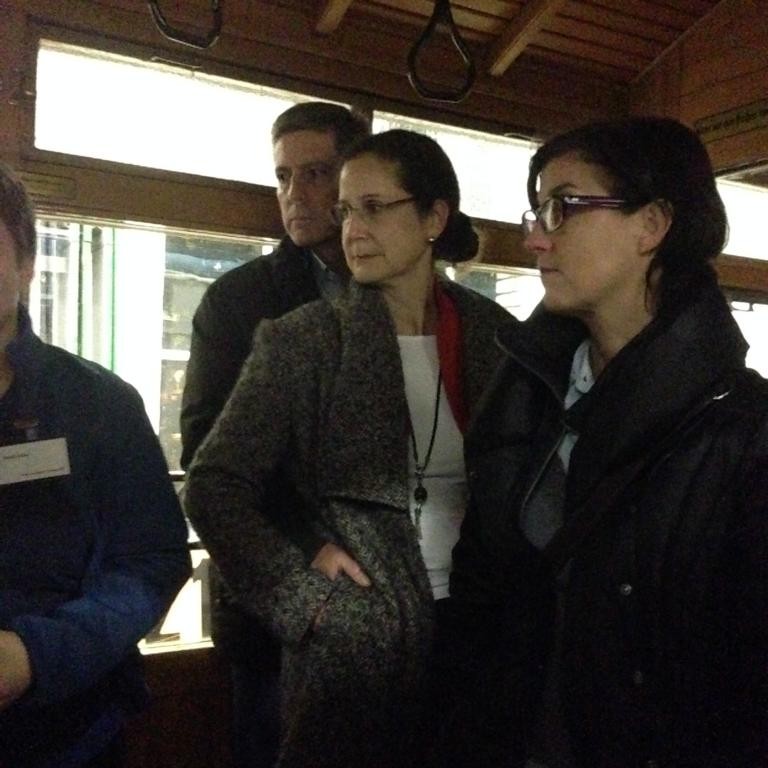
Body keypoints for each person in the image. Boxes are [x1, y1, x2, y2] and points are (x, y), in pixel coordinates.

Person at [447, 116, 768, 768]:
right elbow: (483, 588)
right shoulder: (525, 388)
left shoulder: (743, 431)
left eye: (564, 207)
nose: (535, 238)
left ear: (652, 224)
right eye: (538, 210)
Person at [183, 129, 510, 767]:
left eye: (375, 208)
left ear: (434, 218)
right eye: (346, 210)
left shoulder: (494, 335)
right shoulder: (304, 339)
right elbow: (213, 486)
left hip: (477, 634)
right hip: (356, 648)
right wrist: (306, 598)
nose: (353, 229)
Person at [179, 101, 370, 768]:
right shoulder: (239, 301)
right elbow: (207, 453)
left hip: (392, 600)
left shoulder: (396, 293)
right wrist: (306, 548)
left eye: (315, 173)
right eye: (284, 176)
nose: (295, 194)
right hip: (277, 608)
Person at [0, 163, 192, 767]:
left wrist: (36, 655)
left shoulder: (98, 402)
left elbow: (153, 560)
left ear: (27, 265)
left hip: (70, 729)